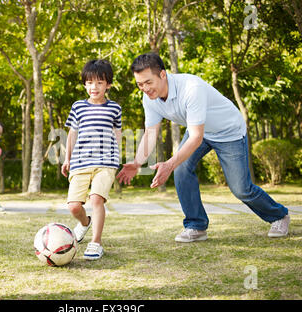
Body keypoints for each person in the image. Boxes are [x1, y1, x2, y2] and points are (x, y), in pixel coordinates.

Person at [117, 52, 290, 242]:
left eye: (148, 82)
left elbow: (196, 138)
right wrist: (137, 162)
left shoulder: (191, 88)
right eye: (140, 84)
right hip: (199, 130)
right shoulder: (150, 98)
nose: (145, 88)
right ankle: (196, 225)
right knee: (181, 169)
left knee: (241, 189)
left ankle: (279, 216)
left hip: (228, 132)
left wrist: (169, 164)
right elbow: (150, 133)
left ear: (163, 75)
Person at [62, 59, 122, 260]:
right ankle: (85, 223)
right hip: (80, 162)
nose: (93, 87)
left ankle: (96, 243)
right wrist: (67, 158)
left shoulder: (114, 108)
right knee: (74, 206)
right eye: (89, 82)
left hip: (106, 162)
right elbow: (72, 133)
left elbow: (118, 133)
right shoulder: (78, 106)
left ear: (108, 85)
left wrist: (118, 157)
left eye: (99, 82)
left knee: (96, 199)